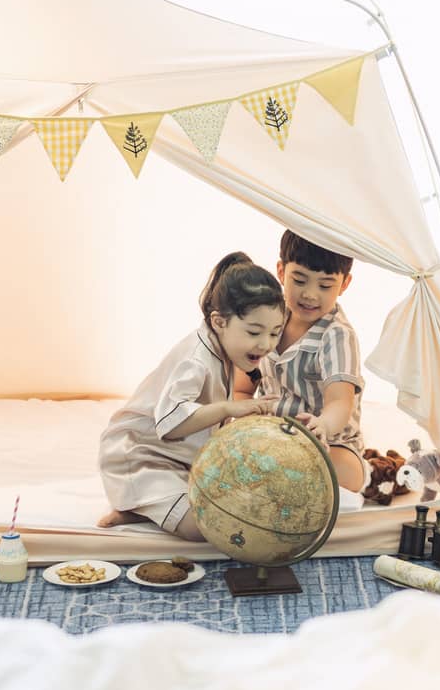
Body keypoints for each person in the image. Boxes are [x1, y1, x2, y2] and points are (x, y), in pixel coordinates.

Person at [96, 252, 285, 541]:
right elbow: (170, 425)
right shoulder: (195, 360)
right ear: (219, 322)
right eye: (254, 332)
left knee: (249, 501)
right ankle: (142, 503)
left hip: (178, 460)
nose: (266, 344)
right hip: (139, 455)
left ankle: (149, 507)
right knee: (205, 529)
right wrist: (228, 408)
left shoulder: (222, 349)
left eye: (274, 333)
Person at [234, 230, 367, 492]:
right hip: (271, 435)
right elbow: (241, 388)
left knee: (342, 471)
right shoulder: (268, 318)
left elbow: (341, 401)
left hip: (326, 442)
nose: (310, 294)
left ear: (345, 284)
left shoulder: (337, 335)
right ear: (281, 272)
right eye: (300, 280)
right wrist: (243, 421)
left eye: (325, 285)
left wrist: (323, 425)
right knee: (219, 447)